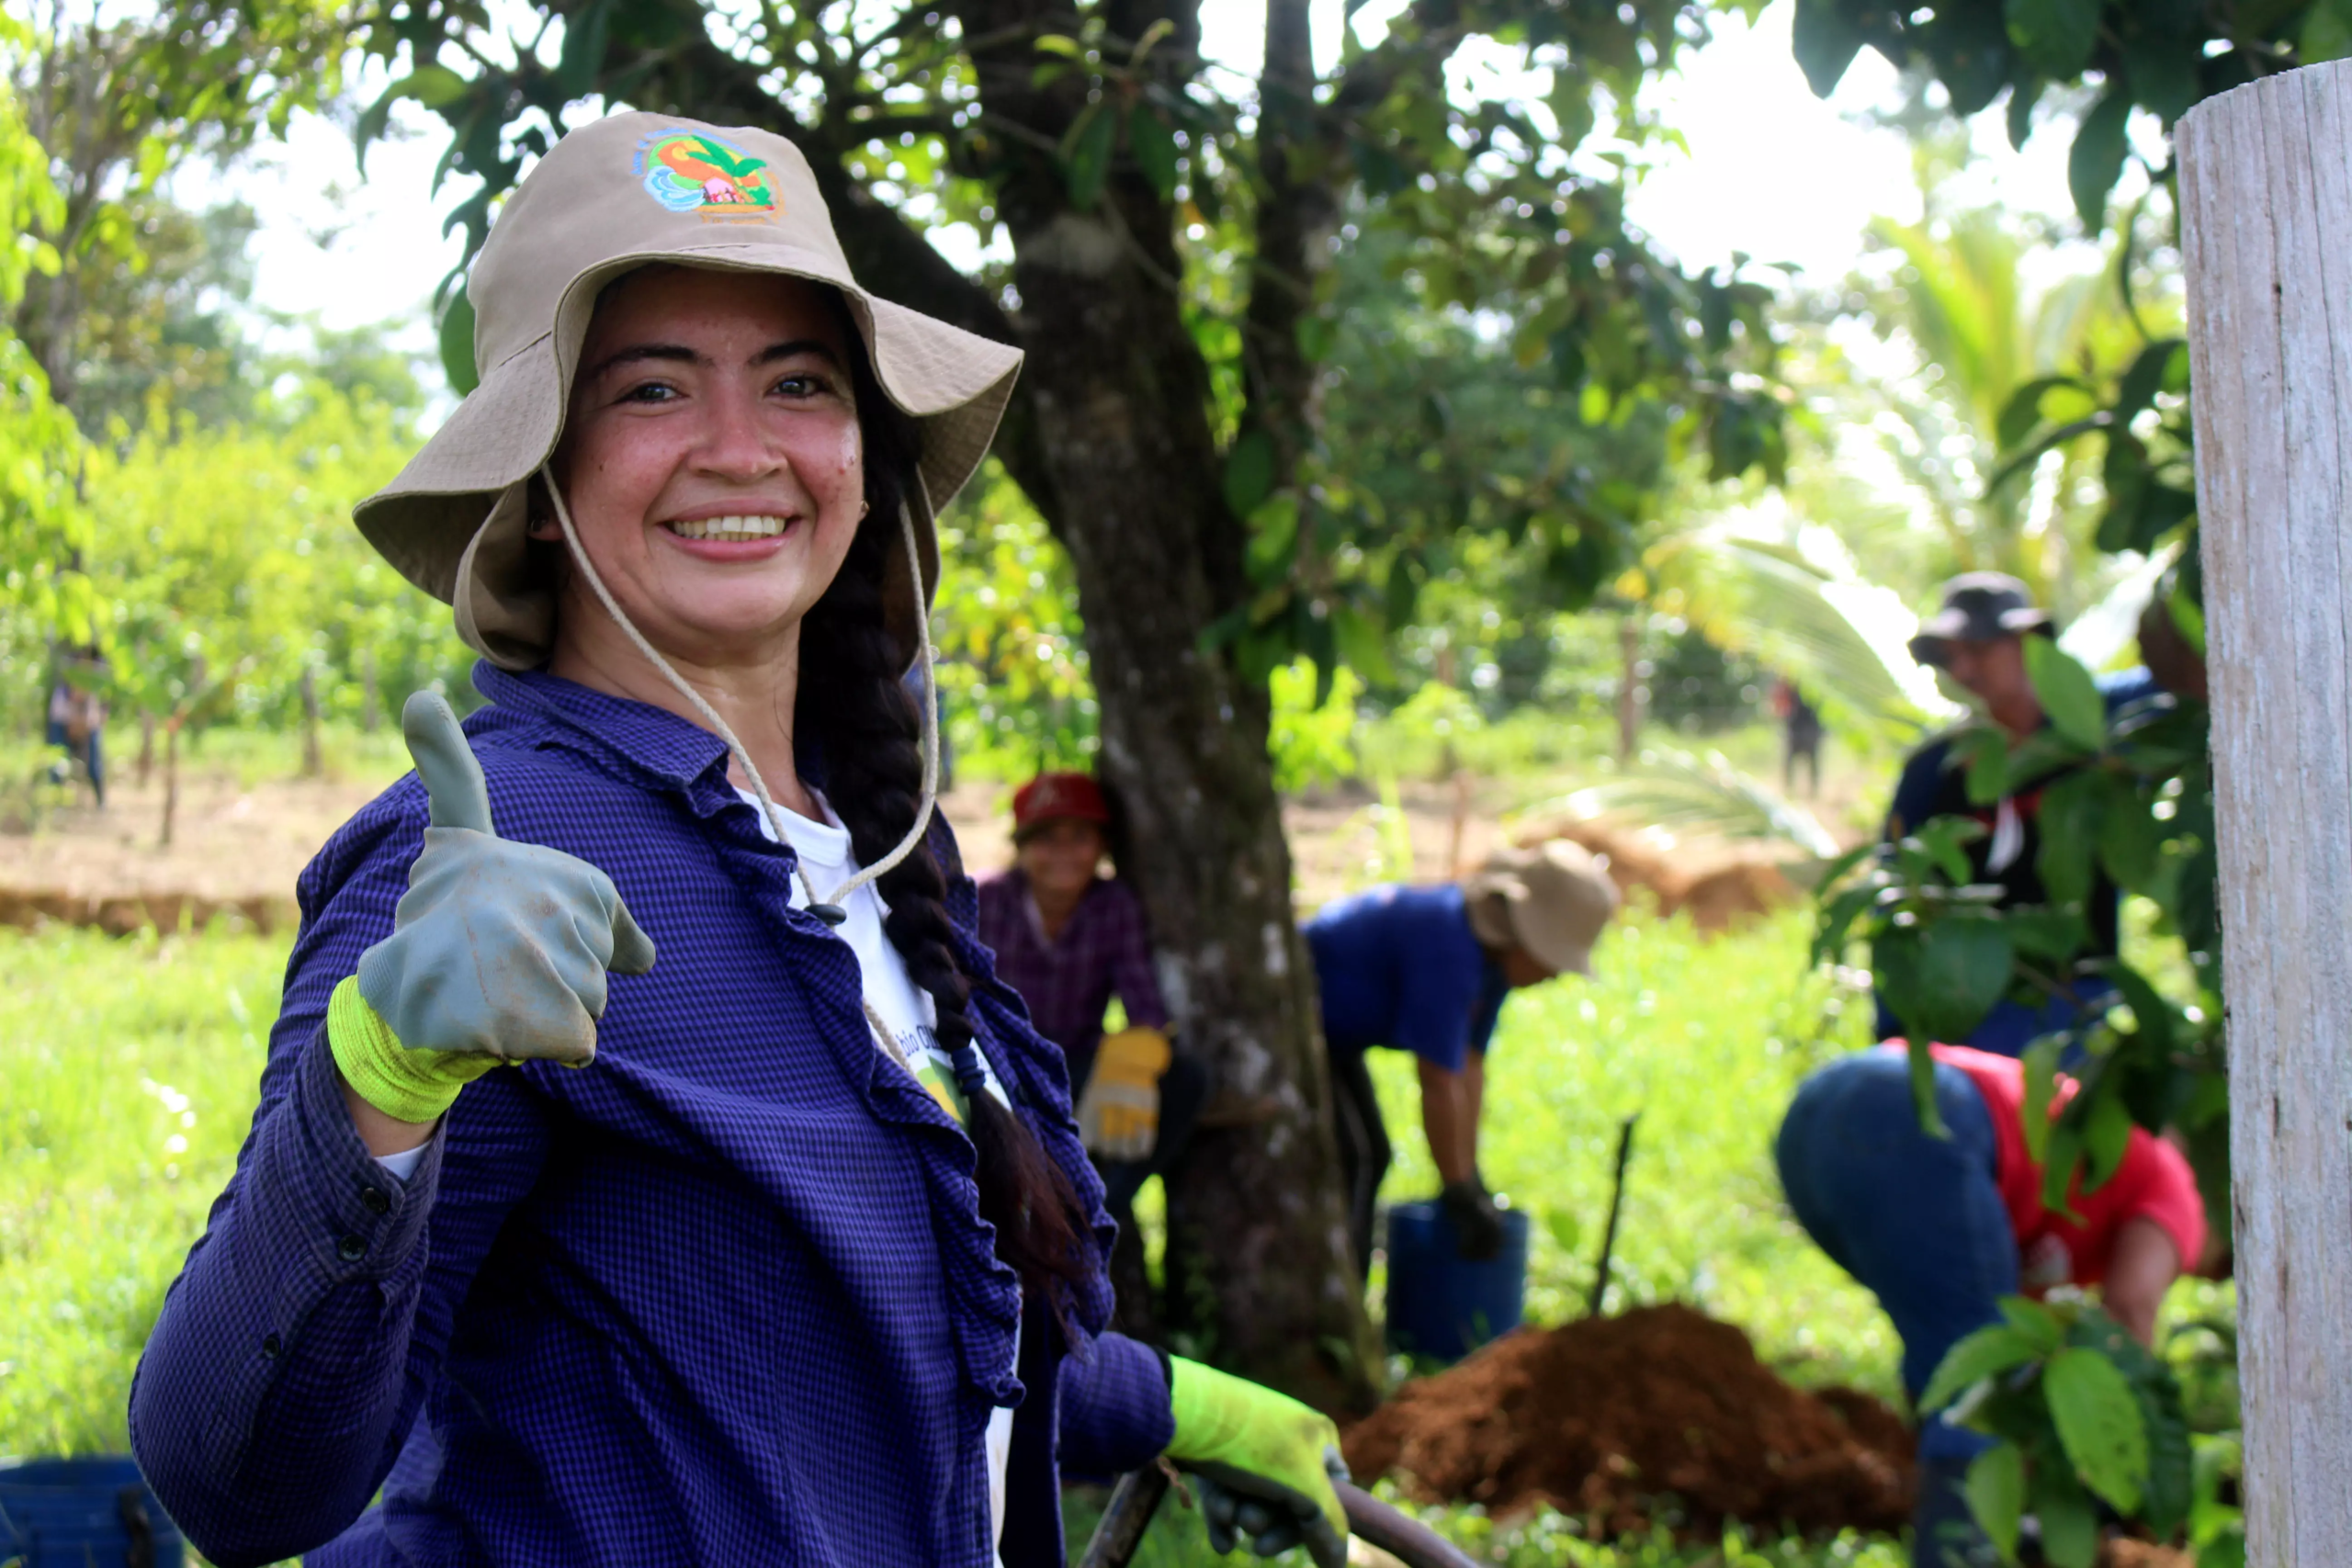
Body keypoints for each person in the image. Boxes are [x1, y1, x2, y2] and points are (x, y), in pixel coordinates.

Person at [129, 113, 1354, 1568]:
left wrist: (1177, 1399)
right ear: (540, 471)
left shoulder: (880, 840)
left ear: (862, 449)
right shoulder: (491, 861)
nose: (740, 449)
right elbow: (241, 1485)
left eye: (800, 382)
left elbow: (852, 1329)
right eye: (654, 387)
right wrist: (379, 1078)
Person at [1776, 1043, 2208, 1567]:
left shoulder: (2084, 1203)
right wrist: (2128, 1471)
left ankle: (1975, 1524)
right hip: (1917, 1114)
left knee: (1951, 1347)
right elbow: (2130, 1312)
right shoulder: (2178, 1188)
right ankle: (1958, 1552)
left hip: (1813, 1122)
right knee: (1980, 1379)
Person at [1879, 573, 2163, 1055]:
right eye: (1950, 656)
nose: (1964, 669)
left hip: (2080, 992)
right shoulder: (1933, 772)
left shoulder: (2099, 728)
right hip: (1971, 1007)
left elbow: (2188, 687)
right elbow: (1895, 892)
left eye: (1980, 649)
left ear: (2029, 642)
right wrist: (1894, 1033)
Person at [1306, 840, 1619, 1276]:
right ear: (1529, 937)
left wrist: (1471, 1180)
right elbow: (1437, 1082)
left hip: (1338, 1040)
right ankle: (1339, 1296)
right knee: (1354, 1158)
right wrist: (1457, 1191)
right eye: (1553, 961)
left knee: (1370, 1154)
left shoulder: (1491, 965)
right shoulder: (1449, 947)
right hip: (1307, 1025)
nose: (1553, 975)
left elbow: (1469, 1067)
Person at [976, 771, 1204, 1337]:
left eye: (1080, 838)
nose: (1065, 854)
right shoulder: (986, 902)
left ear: (1101, 847)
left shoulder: (1111, 905)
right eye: (1048, 838)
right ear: (1023, 847)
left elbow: (1144, 1006)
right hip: (997, 1068)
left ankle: (1094, 1209)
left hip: (1072, 1064)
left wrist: (1136, 1055)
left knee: (1190, 1077)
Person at [45, 648, 107, 807]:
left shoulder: (94, 694)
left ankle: (100, 801)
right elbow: (61, 716)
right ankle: (56, 800)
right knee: (57, 759)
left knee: (94, 762)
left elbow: (93, 720)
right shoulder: (61, 696)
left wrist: (83, 726)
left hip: (87, 725)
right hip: (61, 723)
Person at [1775, 677, 1823, 798]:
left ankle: (1811, 791)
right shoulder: (1792, 685)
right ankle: (1791, 790)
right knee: (1796, 762)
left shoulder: (1813, 686)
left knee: (1809, 762)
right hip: (1799, 728)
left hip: (1806, 728)